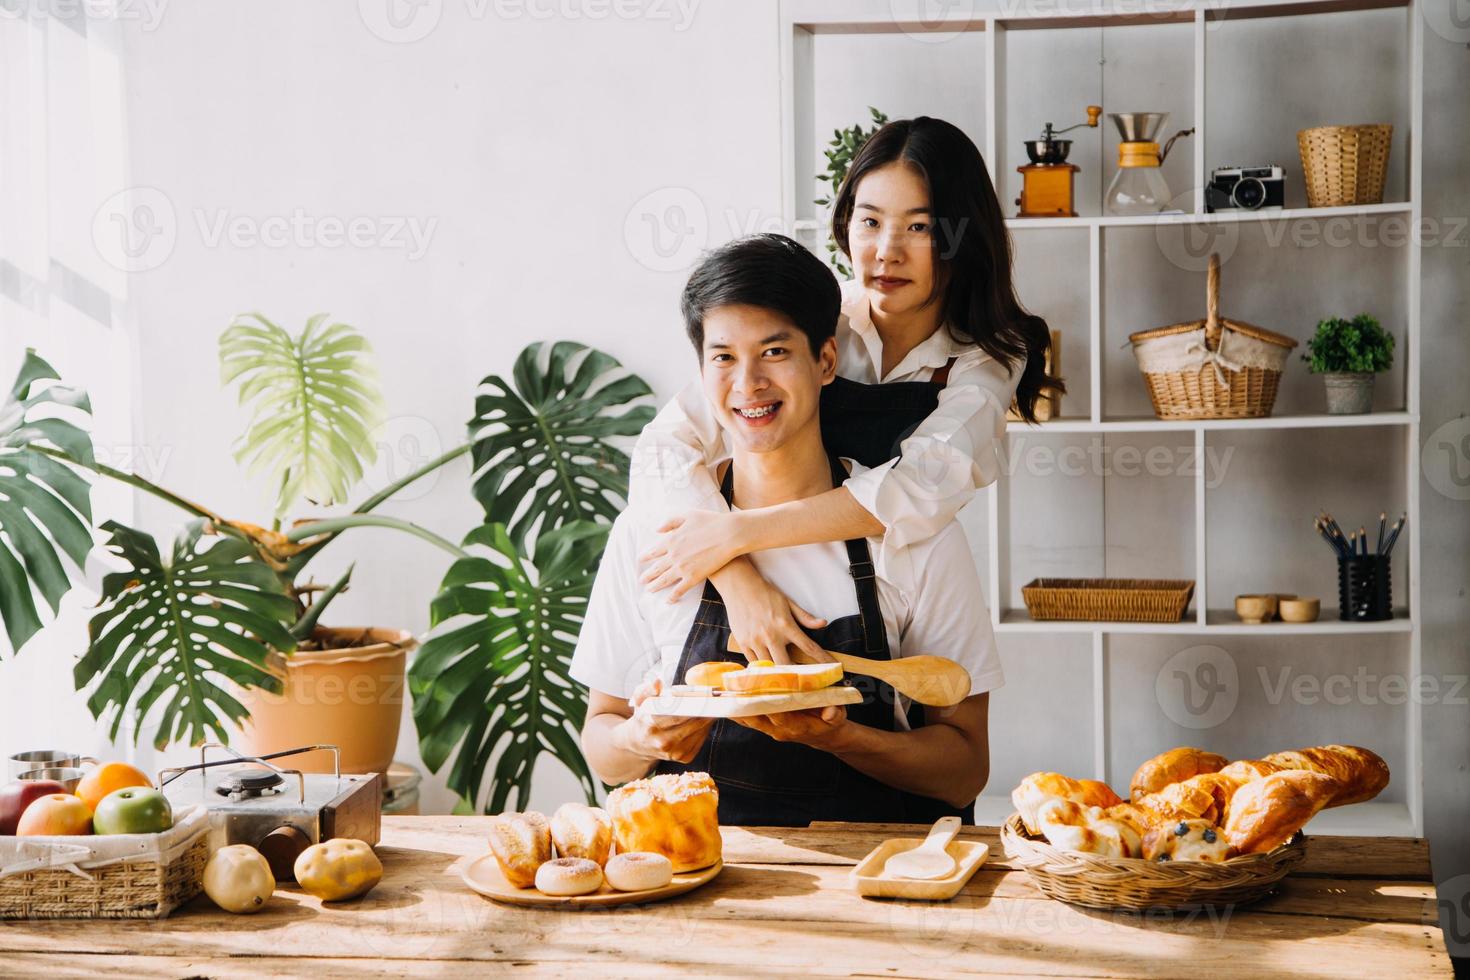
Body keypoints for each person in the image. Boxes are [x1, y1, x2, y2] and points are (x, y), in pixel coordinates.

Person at [571, 234, 1003, 826]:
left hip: (875, 881)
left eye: (774, 352)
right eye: (723, 357)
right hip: (695, 880)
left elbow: (963, 772)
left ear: (825, 361)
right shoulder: (648, 533)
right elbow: (603, 744)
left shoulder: (917, 538)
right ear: (701, 373)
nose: (747, 384)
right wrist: (642, 741)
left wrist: (840, 738)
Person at [631, 116, 1064, 666]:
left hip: (884, 579)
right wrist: (734, 573)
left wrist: (737, 533)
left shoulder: (986, 355)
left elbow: (924, 486)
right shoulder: (814, 319)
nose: (886, 251)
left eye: (919, 227)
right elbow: (663, 449)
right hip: (748, 567)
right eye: (870, 221)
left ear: (963, 236)